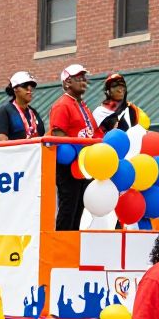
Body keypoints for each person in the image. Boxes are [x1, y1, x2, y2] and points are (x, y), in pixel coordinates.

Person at [49, 64, 100, 231]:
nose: (84, 81)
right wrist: (77, 150)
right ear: (67, 82)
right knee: (68, 207)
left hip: (84, 165)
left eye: (85, 77)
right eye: (79, 77)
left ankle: (72, 246)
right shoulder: (62, 104)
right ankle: (61, 246)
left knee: (79, 208)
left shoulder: (82, 105)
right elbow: (58, 134)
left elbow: (92, 132)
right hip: (68, 165)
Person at [0, 71, 44, 142]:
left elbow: (42, 136)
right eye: (25, 86)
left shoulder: (33, 112)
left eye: (31, 86)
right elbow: (1, 140)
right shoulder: (4, 111)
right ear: (15, 88)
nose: (29, 89)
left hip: (36, 152)